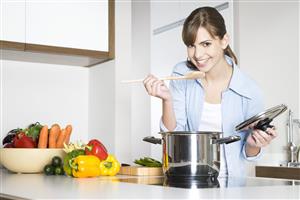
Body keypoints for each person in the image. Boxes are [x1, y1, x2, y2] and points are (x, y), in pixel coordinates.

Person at [143, 7, 277, 178]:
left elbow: (248, 156)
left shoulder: (250, 90)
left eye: (206, 44)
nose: (198, 55)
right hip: (188, 178)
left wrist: (253, 144)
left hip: (231, 186)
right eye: (191, 45)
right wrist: (166, 100)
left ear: (224, 40)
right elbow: (172, 137)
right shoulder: (181, 74)